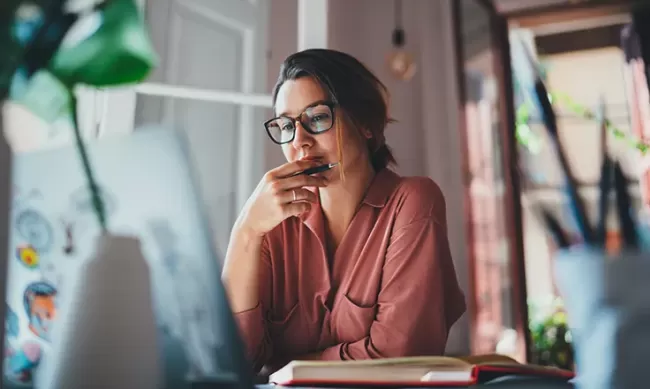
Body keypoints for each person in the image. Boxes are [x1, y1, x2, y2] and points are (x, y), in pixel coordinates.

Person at [222, 49, 466, 374]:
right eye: (286, 126)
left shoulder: (413, 201)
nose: (300, 143)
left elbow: (399, 357)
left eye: (318, 117)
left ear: (365, 123)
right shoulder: (271, 224)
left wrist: (287, 366)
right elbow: (236, 360)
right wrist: (246, 232)